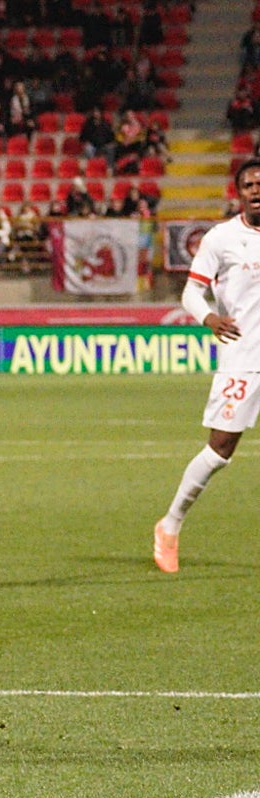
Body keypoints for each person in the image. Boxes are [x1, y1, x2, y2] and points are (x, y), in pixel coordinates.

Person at [154, 158, 260, 573]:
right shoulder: (222, 238)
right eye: (249, 184)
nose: (257, 189)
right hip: (243, 359)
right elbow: (192, 294)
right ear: (238, 194)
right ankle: (170, 524)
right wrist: (209, 318)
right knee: (220, 449)